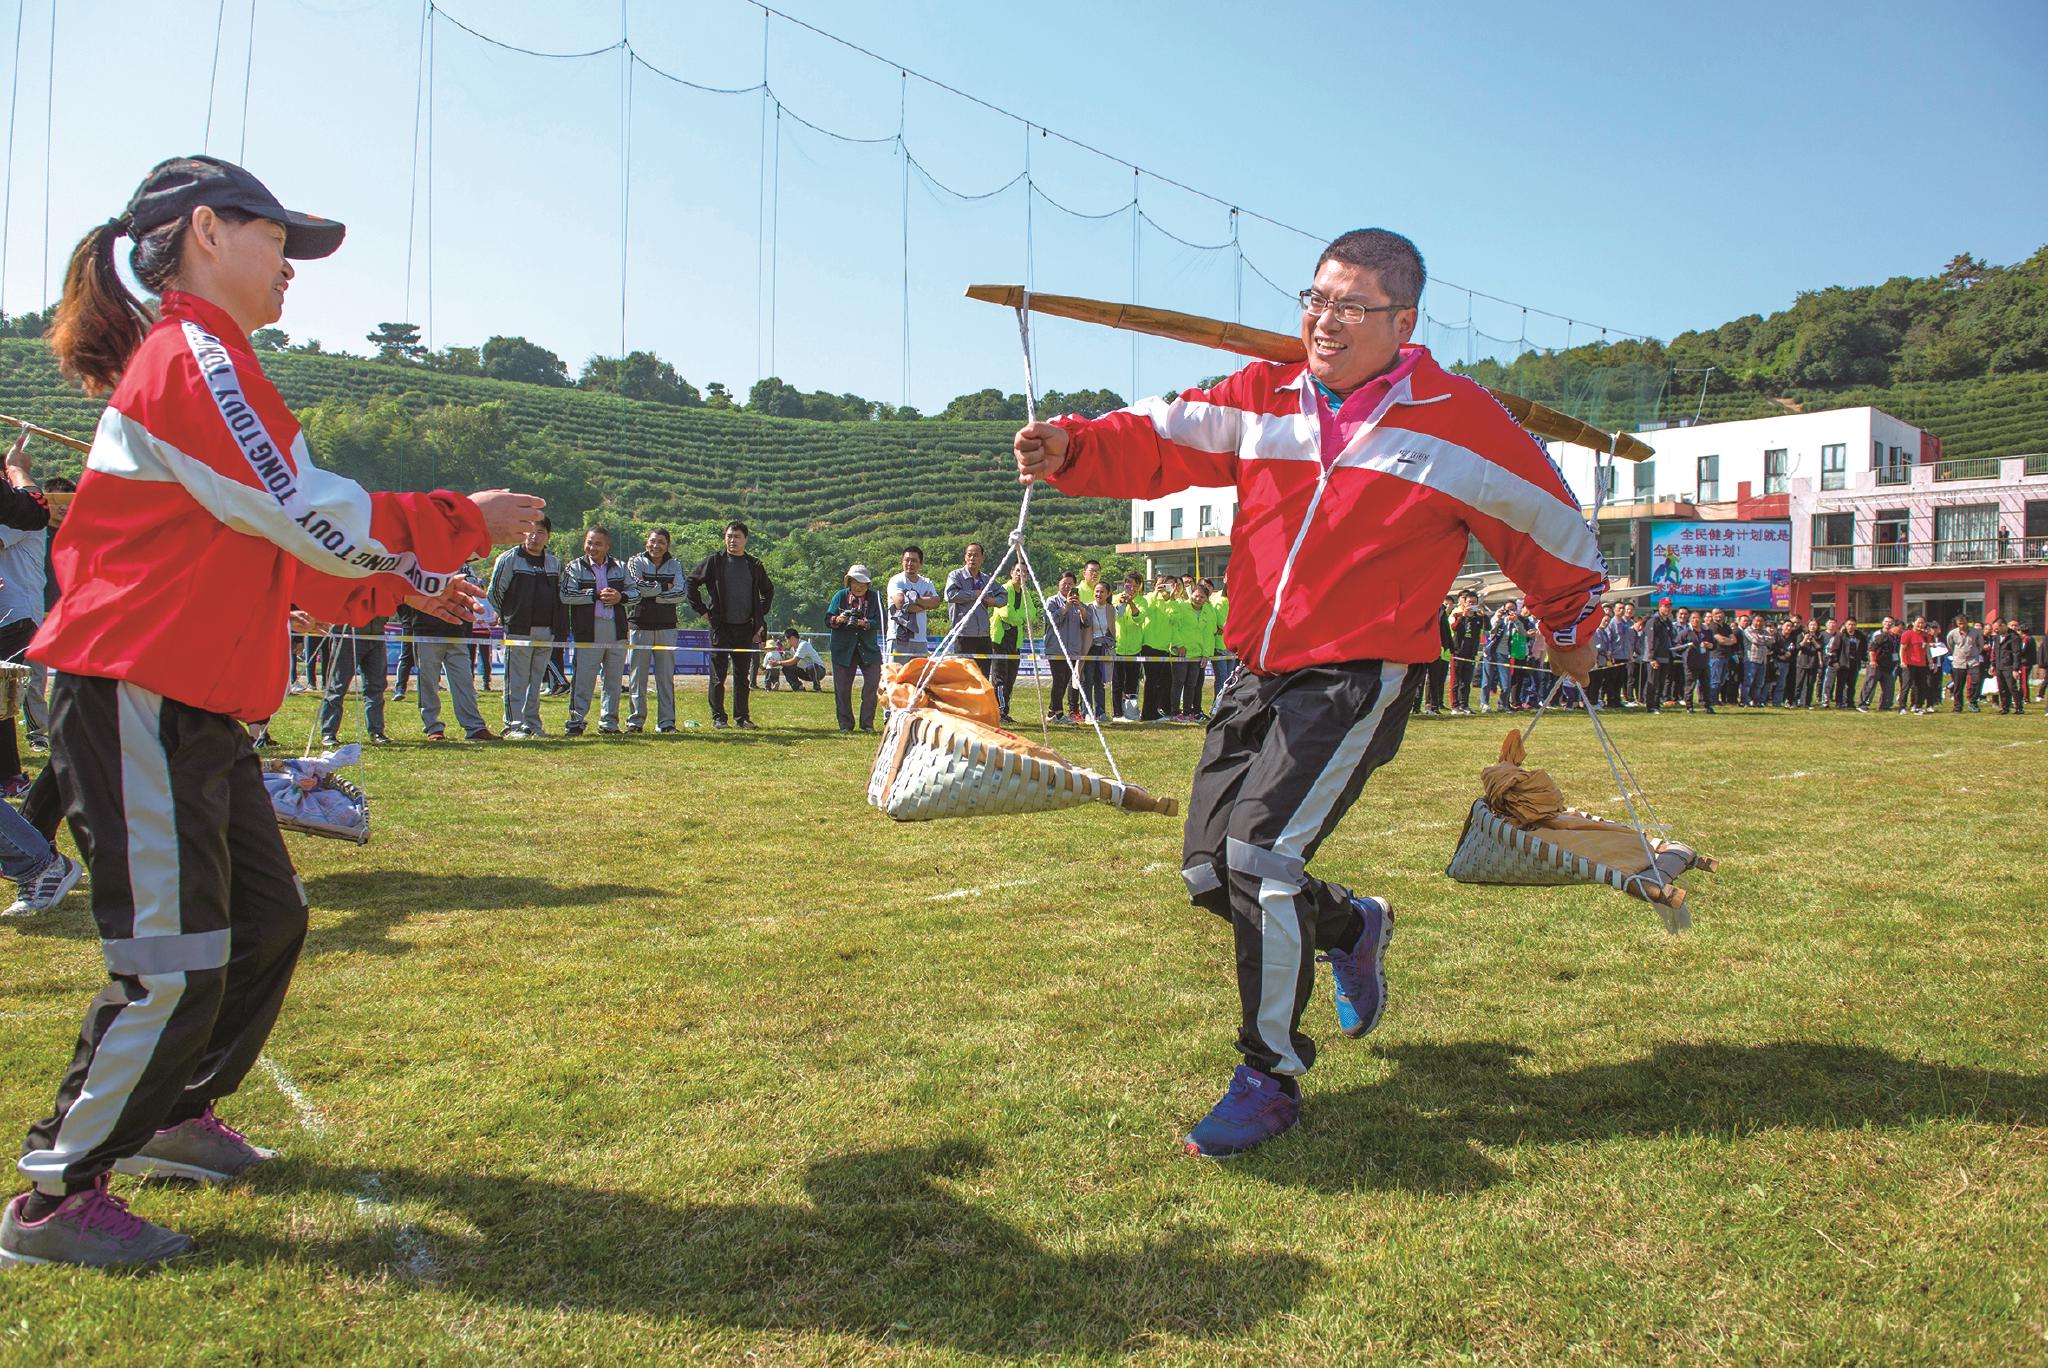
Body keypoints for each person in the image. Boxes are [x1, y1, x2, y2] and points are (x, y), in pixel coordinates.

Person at [1, 155, 541, 1269]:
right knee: (174, 959)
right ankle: (54, 1197)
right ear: (207, 231)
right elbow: (300, 508)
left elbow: (279, 552)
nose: (291, 265)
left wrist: (405, 584)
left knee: (266, 920)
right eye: (277, 239)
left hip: (193, 702)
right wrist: (459, 522)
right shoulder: (194, 357)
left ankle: (167, 1115)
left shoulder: (214, 361)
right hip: (140, 690)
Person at [1012, 227, 1603, 1158]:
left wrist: (1570, 629)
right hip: (1257, 668)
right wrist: (1072, 447)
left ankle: (1270, 1075)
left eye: (1352, 306)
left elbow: (1552, 524)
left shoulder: (1460, 421)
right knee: (1210, 871)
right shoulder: (1265, 395)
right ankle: (1354, 925)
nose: (1325, 321)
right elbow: (1161, 434)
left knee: (1259, 859)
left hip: (1360, 674)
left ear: (1403, 322)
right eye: (1316, 299)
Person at [687, 520, 774, 731]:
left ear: (745, 540)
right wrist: (703, 611)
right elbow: (691, 582)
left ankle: (742, 718)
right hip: (720, 627)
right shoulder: (714, 561)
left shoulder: (754, 565)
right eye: (729, 536)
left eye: (737, 537)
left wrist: (758, 615)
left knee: (742, 676)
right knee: (718, 675)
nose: (732, 540)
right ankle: (719, 718)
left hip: (745, 628)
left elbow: (768, 590)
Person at [487, 516, 561, 738]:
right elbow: (494, 593)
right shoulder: (509, 559)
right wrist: (509, 616)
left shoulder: (554, 562)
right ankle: (513, 725)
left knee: (537, 680)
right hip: (519, 630)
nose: (534, 537)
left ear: (548, 536)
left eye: (540, 532)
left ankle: (532, 723)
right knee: (516, 679)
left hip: (546, 630)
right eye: (529, 531)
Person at [558, 526, 636, 736]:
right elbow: (566, 595)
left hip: (616, 630)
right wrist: (593, 595)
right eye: (589, 543)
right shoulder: (574, 567)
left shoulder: (620, 567)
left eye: (598, 544)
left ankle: (609, 723)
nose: (592, 547)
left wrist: (621, 597)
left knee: (613, 681)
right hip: (588, 630)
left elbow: (635, 593)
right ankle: (576, 722)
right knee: (583, 680)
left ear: (607, 546)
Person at [398, 576, 496, 742]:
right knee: (428, 682)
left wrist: (465, 629)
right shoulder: (415, 569)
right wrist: (410, 624)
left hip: (457, 632)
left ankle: (475, 727)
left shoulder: (461, 569)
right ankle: (433, 727)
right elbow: (402, 598)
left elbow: (465, 599)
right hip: (426, 632)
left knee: (465, 681)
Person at [624, 527, 686, 733]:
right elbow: (636, 588)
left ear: (667, 545)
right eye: (652, 541)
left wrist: (652, 594)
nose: (656, 546)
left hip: (667, 627)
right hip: (639, 625)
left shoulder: (675, 564)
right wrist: (665, 587)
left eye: (661, 542)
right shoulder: (635, 561)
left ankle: (667, 722)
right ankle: (635, 722)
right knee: (637, 677)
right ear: (646, 543)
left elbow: (681, 593)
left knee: (665, 678)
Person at [316, 616, 391, 748]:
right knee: (337, 687)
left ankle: (377, 732)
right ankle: (328, 732)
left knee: (376, 687)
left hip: (376, 635)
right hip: (347, 636)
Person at [826, 564, 882, 732]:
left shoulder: (875, 597)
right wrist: (838, 619)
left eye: (862, 583)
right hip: (843, 649)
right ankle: (845, 725)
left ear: (868, 584)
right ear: (849, 582)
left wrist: (865, 623)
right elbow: (828, 619)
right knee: (842, 688)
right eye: (855, 582)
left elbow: (882, 621)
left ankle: (867, 724)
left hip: (868, 649)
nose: (858, 586)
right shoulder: (840, 596)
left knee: (873, 685)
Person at [943, 542, 1006, 684]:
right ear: (965, 557)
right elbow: (950, 595)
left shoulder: (986, 579)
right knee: (963, 678)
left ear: (982, 558)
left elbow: (1004, 595)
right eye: (969, 555)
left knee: (982, 679)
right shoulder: (956, 576)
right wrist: (975, 594)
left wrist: (993, 601)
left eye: (976, 555)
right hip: (964, 636)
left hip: (983, 636)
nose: (972, 558)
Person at [987, 561, 1036, 725]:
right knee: (1000, 678)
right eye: (1018, 571)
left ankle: (1005, 711)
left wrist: (1019, 617)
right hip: (1000, 640)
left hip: (1015, 641)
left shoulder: (1025, 593)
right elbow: (1006, 614)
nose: (1021, 574)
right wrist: (1021, 618)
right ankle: (999, 711)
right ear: (1011, 572)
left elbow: (1032, 613)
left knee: (1011, 678)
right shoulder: (1004, 589)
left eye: (1024, 572)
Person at [882, 545, 938, 670]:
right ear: (902, 561)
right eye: (907, 560)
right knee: (895, 676)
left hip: (920, 640)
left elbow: (936, 602)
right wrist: (924, 604)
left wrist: (914, 600)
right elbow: (900, 603)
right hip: (898, 638)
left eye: (914, 560)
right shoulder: (896, 580)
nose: (910, 563)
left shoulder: (927, 582)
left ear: (920, 563)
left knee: (919, 678)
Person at [1043, 571, 1089, 722]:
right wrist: (1066, 607)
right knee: (1059, 680)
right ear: (1059, 584)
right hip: (1056, 648)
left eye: (1070, 584)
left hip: (1073, 650)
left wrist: (1081, 609)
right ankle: (1058, 713)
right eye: (1064, 584)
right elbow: (1050, 620)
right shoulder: (1052, 601)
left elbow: (1087, 623)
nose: (1067, 587)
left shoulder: (1078, 604)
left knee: (1065, 681)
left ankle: (1052, 712)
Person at [1178, 579, 1224, 721]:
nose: (1198, 599)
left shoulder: (1209, 609)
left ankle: (1195, 711)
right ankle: (1179, 712)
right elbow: (1176, 627)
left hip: (1199, 654)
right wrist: (1179, 645)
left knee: (1196, 685)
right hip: (1184, 653)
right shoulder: (1183, 607)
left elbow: (1210, 633)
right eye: (1196, 595)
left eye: (1202, 596)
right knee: (1180, 683)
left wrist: (1206, 654)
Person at [1139, 573, 1181, 722]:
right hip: (1150, 645)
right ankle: (1148, 713)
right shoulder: (1150, 597)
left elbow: (1175, 619)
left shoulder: (1172, 602)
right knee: (1151, 681)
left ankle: (1156, 710)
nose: (1165, 587)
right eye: (1162, 584)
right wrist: (1156, 594)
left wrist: (1172, 599)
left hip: (1164, 647)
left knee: (1161, 682)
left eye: (1169, 585)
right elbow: (1146, 612)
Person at [1110, 571, 1147, 721]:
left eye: (1136, 585)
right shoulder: (1114, 598)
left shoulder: (1142, 601)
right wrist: (1122, 603)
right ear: (1124, 584)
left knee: (1132, 682)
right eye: (1129, 584)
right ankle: (1117, 713)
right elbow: (1115, 616)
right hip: (1118, 647)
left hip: (1134, 648)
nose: (1132, 588)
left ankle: (1131, 712)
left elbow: (1139, 619)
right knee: (1117, 682)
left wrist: (1131, 603)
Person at [1083, 581, 1117, 721]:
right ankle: (1087, 712)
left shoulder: (1110, 609)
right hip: (1089, 648)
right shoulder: (1088, 607)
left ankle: (1101, 712)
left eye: (1102, 592)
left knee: (1100, 681)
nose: (1099, 594)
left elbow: (1112, 628)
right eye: (1097, 591)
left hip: (1103, 648)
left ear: (1108, 594)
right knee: (1088, 680)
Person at [1449, 592, 1486, 714]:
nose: (1471, 605)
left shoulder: (1478, 618)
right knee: (1456, 681)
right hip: (1458, 652)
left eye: (1474, 603)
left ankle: (1464, 705)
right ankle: (1455, 706)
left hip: (1471, 653)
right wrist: (1464, 616)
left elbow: (1488, 627)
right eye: (1470, 602)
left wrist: (1484, 615)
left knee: (1466, 681)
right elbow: (1454, 628)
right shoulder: (1457, 615)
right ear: (1464, 603)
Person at [1642, 599, 1675, 714]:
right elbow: (1650, 640)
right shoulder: (1653, 621)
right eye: (1666, 606)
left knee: (1661, 683)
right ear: (1660, 607)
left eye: (1669, 606)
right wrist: (1651, 658)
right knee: (1653, 682)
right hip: (1654, 657)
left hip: (1665, 656)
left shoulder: (1668, 622)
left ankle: (1657, 704)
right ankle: (1650, 705)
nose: (1668, 609)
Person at [1946, 614, 1983, 713]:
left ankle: (1973, 701)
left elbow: (1980, 645)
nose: (1962, 626)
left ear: (1967, 622)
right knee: (1958, 685)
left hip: (1973, 660)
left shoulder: (1976, 632)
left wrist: (1975, 653)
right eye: (1959, 624)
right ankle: (1958, 706)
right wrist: (1956, 653)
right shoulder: (1952, 633)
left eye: (1964, 623)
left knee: (1976, 681)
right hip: (1959, 661)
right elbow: (1950, 645)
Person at [1862, 618, 1901, 713]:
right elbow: (1872, 648)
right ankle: (1863, 704)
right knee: (1870, 685)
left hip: (1888, 667)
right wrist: (1872, 661)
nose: (1901, 630)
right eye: (1899, 628)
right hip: (1877, 665)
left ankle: (1885, 706)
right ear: (1894, 627)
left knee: (1889, 687)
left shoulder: (1896, 638)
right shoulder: (1882, 636)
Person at [1899, 616, 1934, 714]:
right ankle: (1902, 707)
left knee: (1921, 686)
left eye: (1922, 623)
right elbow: (1902, 649)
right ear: (1913, 623)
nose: (1920, 625)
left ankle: (1918, 706)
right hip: (1909, 664)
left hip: (1921, 664)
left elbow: (1927, 650)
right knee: (1906, 686)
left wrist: (1930, 662)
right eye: (1918, 623)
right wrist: (1902, 661)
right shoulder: (1907, 634)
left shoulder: (1925, 635)